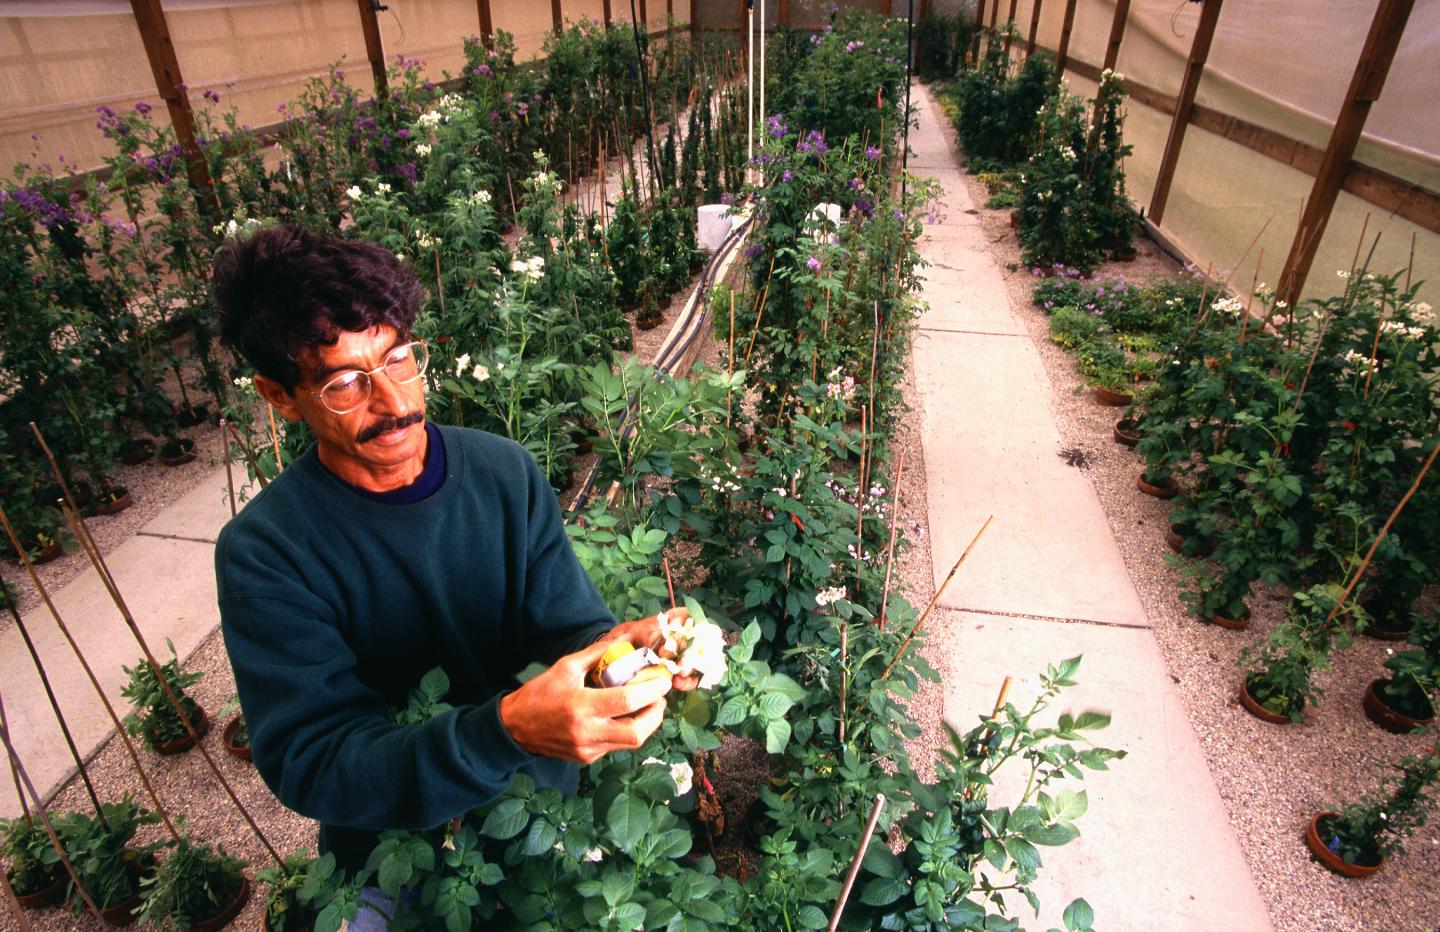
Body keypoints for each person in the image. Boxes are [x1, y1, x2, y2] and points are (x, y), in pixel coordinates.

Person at [211, 224, 693, 926]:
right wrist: (506, 732)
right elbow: (312, 760)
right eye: (344, 382)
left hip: (538, 815)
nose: (391, 401)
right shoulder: (267, 550)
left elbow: (569, 627)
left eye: (399, 358)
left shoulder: (502, 472)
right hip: (395, 844)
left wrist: (629, 650)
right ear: (281, 396)